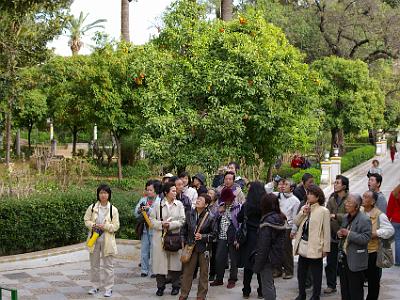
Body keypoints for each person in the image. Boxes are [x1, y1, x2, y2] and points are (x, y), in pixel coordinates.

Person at [293, 184, 330, 300]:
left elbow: (326, 231)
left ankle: (315, 295)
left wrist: (326, 248)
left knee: (316, 273)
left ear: (317, 197)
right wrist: (303, 212)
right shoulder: (305, 207)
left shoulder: (323, 211)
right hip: (303, 244)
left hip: (316, 246)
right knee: (301, 272)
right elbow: (296, 222)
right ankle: (302, 294)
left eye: (310, 193)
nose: (308, 195)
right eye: (307, 193)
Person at [150, 182, 186, 296]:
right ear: (166, 192)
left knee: (175, 263)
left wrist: (170, 225)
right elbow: (151, 221)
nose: (175, 192)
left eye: (176, 191)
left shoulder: (179, 204)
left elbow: (182, 220)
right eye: (173, 190)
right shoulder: (157, 205)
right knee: (160, 263)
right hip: (160, 238)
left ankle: (176, 286)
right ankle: (160, 287)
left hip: (174, 237)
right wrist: (162, 224)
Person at [84, 184, 120, 298]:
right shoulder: (93, 207)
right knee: (94, 265)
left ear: (109, 194)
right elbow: (86, 220)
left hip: (107, 240)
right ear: (98, 194)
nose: (103, 195)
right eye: (101, 193)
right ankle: (94, 286)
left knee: (108, 266)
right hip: (94, 239)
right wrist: (94, 225)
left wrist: (104, 226)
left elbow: (116, 226)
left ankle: (108, 288)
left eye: (105, 193)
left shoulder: (113, 209)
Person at [179, 194, 216, 300]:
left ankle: (201, 295)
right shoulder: (190, 214)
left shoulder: (211, 217)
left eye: (201, 200)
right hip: (191, 247)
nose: (198, 200)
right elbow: (184, 230)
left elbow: (214, 234)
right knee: (187, 272)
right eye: (198, 199)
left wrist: (203, 236)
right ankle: (184, 294)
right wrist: (183, 242)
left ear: (206, 204)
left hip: (204, 248)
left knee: (204, 273)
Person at [361, 190, 394, 300]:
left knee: (373, 282)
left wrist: (377, 233)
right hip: (359, 252)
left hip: (373, 252)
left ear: (373, 201)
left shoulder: (379, 214)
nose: (363, 198)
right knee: (358, 280)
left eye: (366, 197)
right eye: (363, 196)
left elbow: (390, 230)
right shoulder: (359, 211)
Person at [337, 194, 372, 300]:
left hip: (356, 259)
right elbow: (342, 231)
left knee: (355, 290)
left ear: (356, 206)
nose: (346, 204)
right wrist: (339, 234)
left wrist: (349, 233)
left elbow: (366, 238)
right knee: (344, 289)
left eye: (349, 202)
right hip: (344, 258)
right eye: (346, 201)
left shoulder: (364, 219)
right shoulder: (346, 217)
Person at [253, 193, 286, 300]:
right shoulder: (280, 218)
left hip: (267, 258)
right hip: (276, 256)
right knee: (270, 284)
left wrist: (258, 264)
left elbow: (263, 246)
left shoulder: (267, 223)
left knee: (267, 286)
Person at [237, 181, 265, 298]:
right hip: (262, 237)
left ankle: (246, 290)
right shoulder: (265, 205)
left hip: (248, 238)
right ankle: (261, 291)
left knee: (248, 266)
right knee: (260, 265)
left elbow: (239, 218)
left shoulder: (247, 205)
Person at [210, 187, 241, 289]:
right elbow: (212, 218)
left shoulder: (237, 207)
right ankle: (219, 279)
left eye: (227, 199)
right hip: (221, 236)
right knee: (219, 258)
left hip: (233, 236)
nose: (226, 201)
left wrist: (238, 238)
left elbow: (240, 224)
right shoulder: (221, 205)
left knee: (233, 259)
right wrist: (219, 211)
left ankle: (232, 279)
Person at [324, 175, 349, 294]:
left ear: (344, 186)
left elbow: (350, 215)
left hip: (345, 236)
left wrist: (336, 216)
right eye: (335, 182)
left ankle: (348, 285)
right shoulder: (331, 199)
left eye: (338, 183)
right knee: (330, 263)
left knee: (345, 263)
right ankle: (331, 284)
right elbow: (326, 213)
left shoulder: (350, 199)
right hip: (332, 235)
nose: (335, 184)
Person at [273, 178, 300, 279]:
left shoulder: (295, 201)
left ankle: (289, 270)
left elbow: (295, 218)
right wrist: (274, 182)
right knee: (276, 249)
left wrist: (293, 230)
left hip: (287, 227)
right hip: (276, 226)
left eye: (286, 184)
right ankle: (277, 269)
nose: (283, 186)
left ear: (292, 188)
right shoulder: (278, 196)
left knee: (286, 250)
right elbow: (267, 189)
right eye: (282, 184)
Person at [134, 180, 159, 277]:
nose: (149, 192)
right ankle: (144, 270)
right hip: (145, 228)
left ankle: (154, 271)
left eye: (151, 190)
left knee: (154, 250)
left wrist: (149, 209)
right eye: (147, 190)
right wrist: (140, 210)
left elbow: (159, 214)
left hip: (155, 229)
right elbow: (135, 213)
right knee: (144, 250)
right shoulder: (143, 200)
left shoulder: (159, 201)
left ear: (155, 190)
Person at [207, 188, 219, 281]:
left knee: (214, 255)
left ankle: (212, 273)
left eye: (211, 193)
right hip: (205, 233)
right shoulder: (205, 205)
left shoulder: (218, 206)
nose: (209, 194)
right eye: (208, 193)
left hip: (214, 233)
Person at [387, 184, 400, 266]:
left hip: (395, 220)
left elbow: (390, 208)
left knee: (398, 241)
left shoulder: (394, 193)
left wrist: (387, 219)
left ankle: (398, 261)